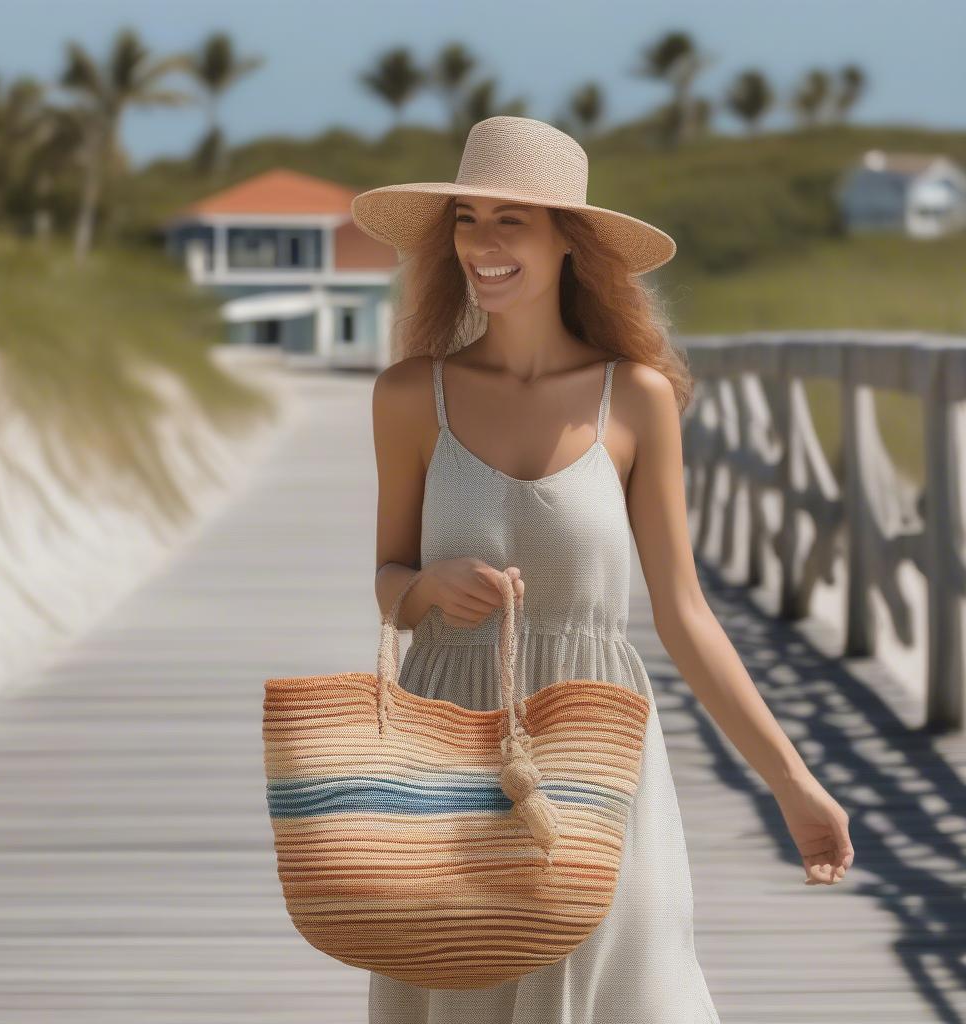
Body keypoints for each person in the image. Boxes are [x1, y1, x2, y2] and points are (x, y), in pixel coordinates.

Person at [353, 116, 853, 1024]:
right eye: (468, 219)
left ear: (567, 242)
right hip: (451, 744)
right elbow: (389, 579)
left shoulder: (638, 398)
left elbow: (685, 615)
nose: (483, 244)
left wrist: (792, 779)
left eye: (514, 220)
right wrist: (425, 589)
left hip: (598, 740)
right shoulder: (407, 395)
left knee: (633, 978)